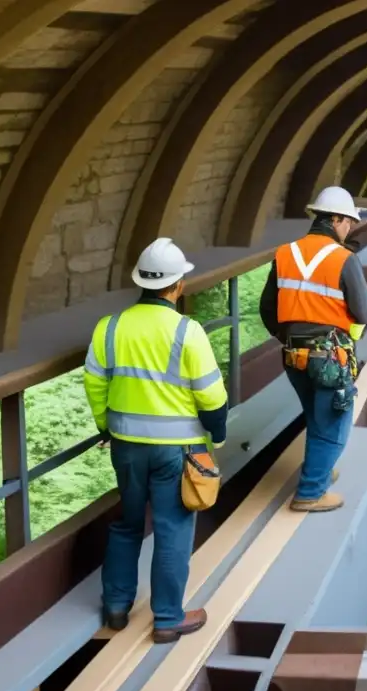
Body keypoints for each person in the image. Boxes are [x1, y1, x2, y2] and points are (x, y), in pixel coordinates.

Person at [84, 237, 228, 644]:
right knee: (172, 529)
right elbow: (211, 395)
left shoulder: (109, 328)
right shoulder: (188, 330)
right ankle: (167, 618)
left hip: (126, 447)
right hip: (176, 453)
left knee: (127, 525)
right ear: (178, 284)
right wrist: (216, 434)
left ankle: (115, 606)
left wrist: (105, 427)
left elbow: (94, 383)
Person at [259, 186, 367, 513]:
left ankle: (321, 470)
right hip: (329, 357)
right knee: (335, 422)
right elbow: (366, 313)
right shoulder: (343, 258)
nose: (349, 230)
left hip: (293, 356)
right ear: (337, 219)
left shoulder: (285, 254)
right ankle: (311, 492)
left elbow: (267, 308)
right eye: (348, 223)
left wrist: (288, 337)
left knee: (317, 415)